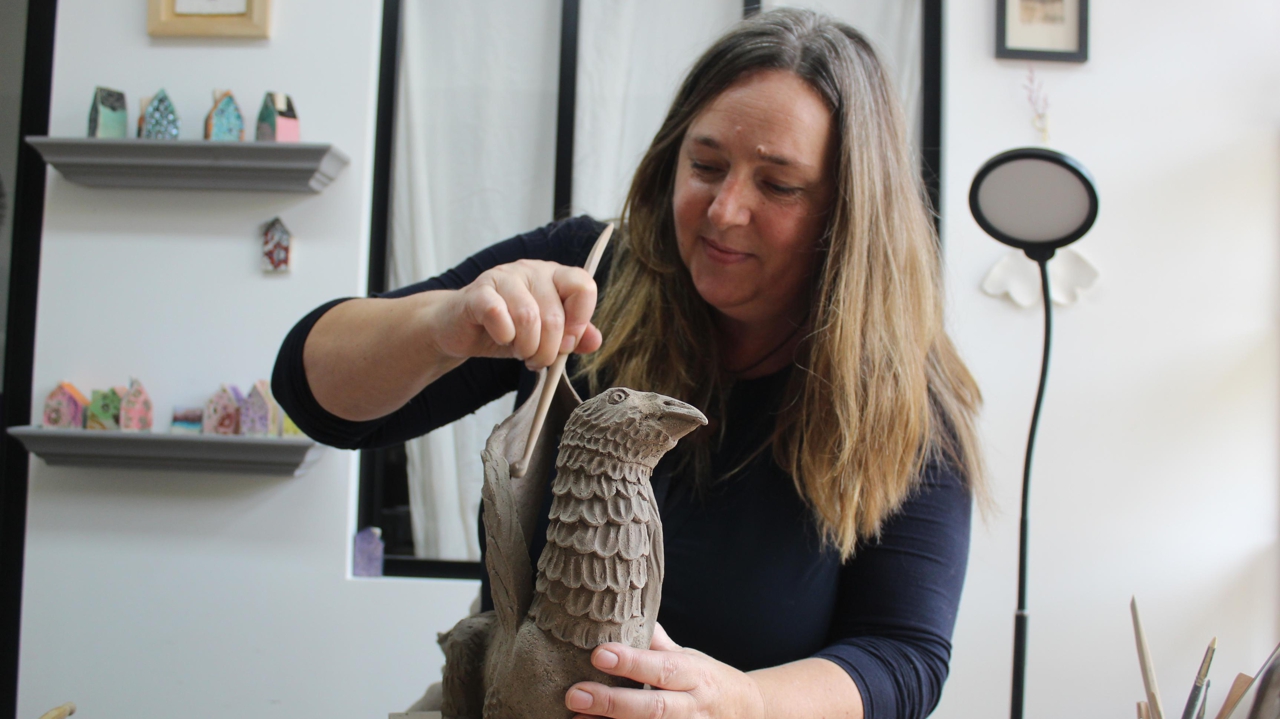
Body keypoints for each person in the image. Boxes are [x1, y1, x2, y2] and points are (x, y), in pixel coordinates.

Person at [273, 8, 983, 719]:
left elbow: (903, 655)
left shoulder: (902, 397)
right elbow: (313, 394)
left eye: (778, 186)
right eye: (705, 166)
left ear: (849, 213)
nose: (724, 210)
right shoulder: (586, 272)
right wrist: (443, 324)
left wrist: (746, 701)